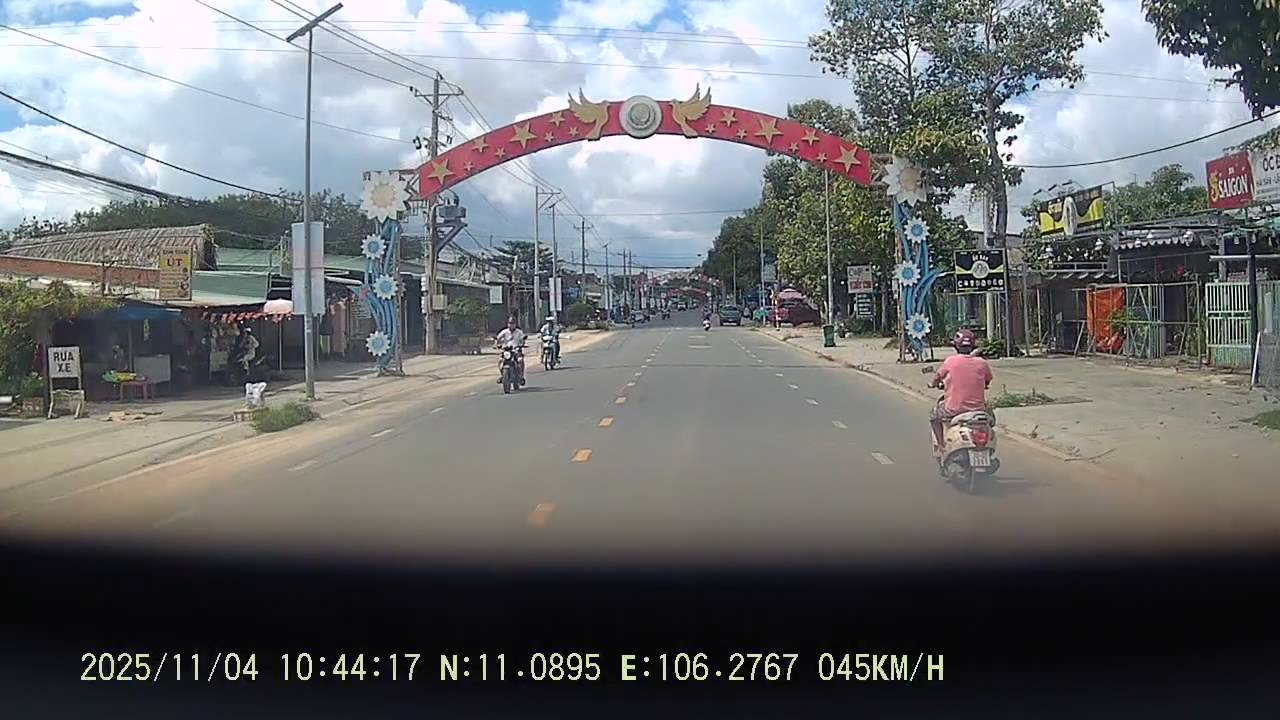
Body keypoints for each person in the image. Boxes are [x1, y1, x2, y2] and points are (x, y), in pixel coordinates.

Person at [928, 329, 993, 458]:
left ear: (956, 346)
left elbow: (937, 378)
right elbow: (988, 379)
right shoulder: (982, 363)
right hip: (979, 409)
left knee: (933, 416)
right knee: (991, 419)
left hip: (953, 409)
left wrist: (932, 384)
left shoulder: (950, 361)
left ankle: (941, 446)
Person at [494, 316, 527, 384]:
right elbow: (498, 338)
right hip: (506, 351)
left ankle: (521, 376)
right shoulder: (504, 332)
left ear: (515, 324)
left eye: (512, 323)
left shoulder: (519, 332)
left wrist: (522, 344)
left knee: (520, 360)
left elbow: (523, 339)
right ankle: (503, 375)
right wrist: (497, 344)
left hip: (516, 350)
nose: (511, 325)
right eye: (509, 323)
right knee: (500, 361)